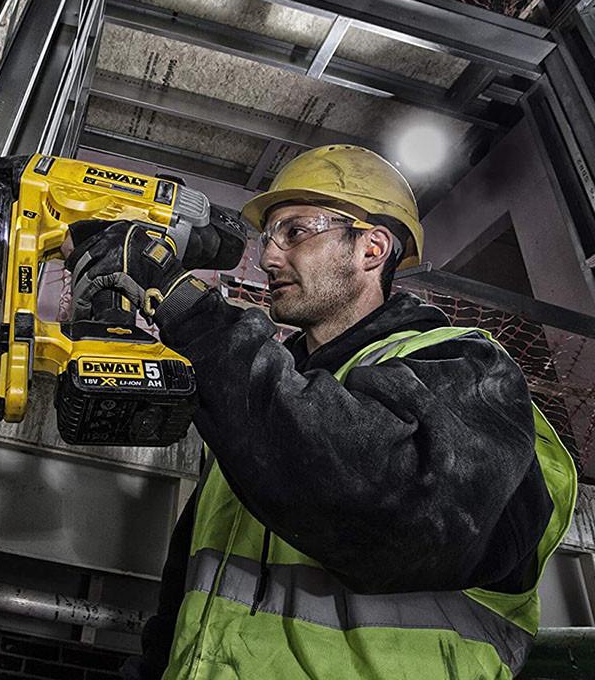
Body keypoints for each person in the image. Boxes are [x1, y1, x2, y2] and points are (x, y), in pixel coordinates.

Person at [66, 144, 576, 680]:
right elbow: (188, 590)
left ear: (372, 248)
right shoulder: (260, 404)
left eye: (295, 232)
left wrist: (187, 310)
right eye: (269, 237)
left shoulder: (467, 368)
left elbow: (387, 505)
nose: (268, 258)